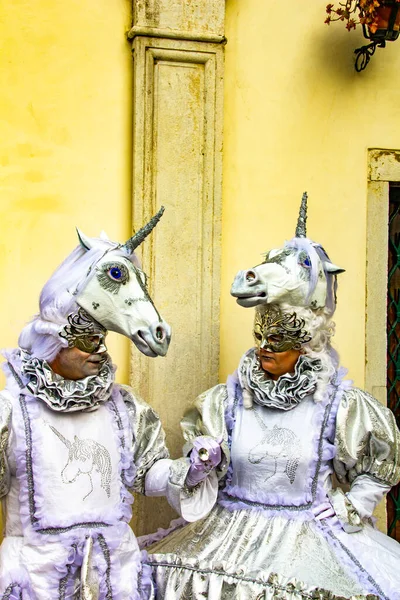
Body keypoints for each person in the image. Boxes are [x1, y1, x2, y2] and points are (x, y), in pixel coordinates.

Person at [145, 198, 400, 600]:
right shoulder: (223, 403)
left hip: (306, 543)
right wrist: (202, 462)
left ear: (305, 344)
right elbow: (201, 476)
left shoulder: (340, 406)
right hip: (226, 539)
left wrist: (351, 507)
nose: (265, 348)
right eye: (259, 337)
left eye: (278, 341)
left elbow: (377, 469)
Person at [0, 210, 220, 599]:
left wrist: (190, 470)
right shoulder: (12, 411)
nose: (98, 352)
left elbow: (148, 475)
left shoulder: (123, 407)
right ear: (56, 342)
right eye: (87, 342)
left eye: (101, 341)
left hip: (115, 576)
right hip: (37, 580)